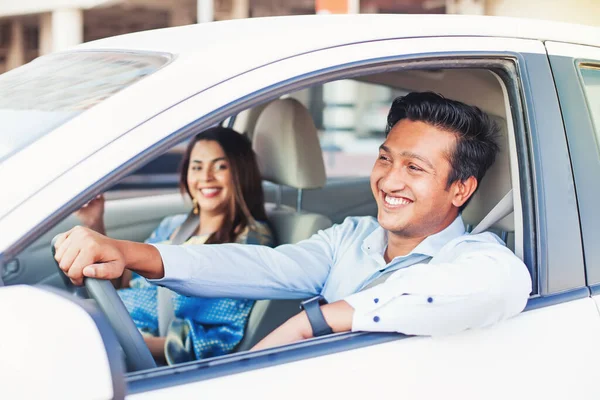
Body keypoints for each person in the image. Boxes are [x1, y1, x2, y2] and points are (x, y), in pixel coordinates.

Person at [55, 92, 532, 352]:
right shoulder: (352, 236)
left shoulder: (475, 260)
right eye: (385, 159)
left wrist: (316, 322)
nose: (389, 180)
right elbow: (258, 267)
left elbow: (503, 284)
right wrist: (129, 253)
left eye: (415, 168)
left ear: (461, 189)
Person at [73, 127, 274, 364]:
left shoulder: (250, 240)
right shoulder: (175, 226)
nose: (206, 177)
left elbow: (217, 338)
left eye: (220, 166)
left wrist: (135, 344)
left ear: (241, 172)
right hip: (105, 324)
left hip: (134, 352)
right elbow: (124, 280)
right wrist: (94, 221)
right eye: (197, 167)